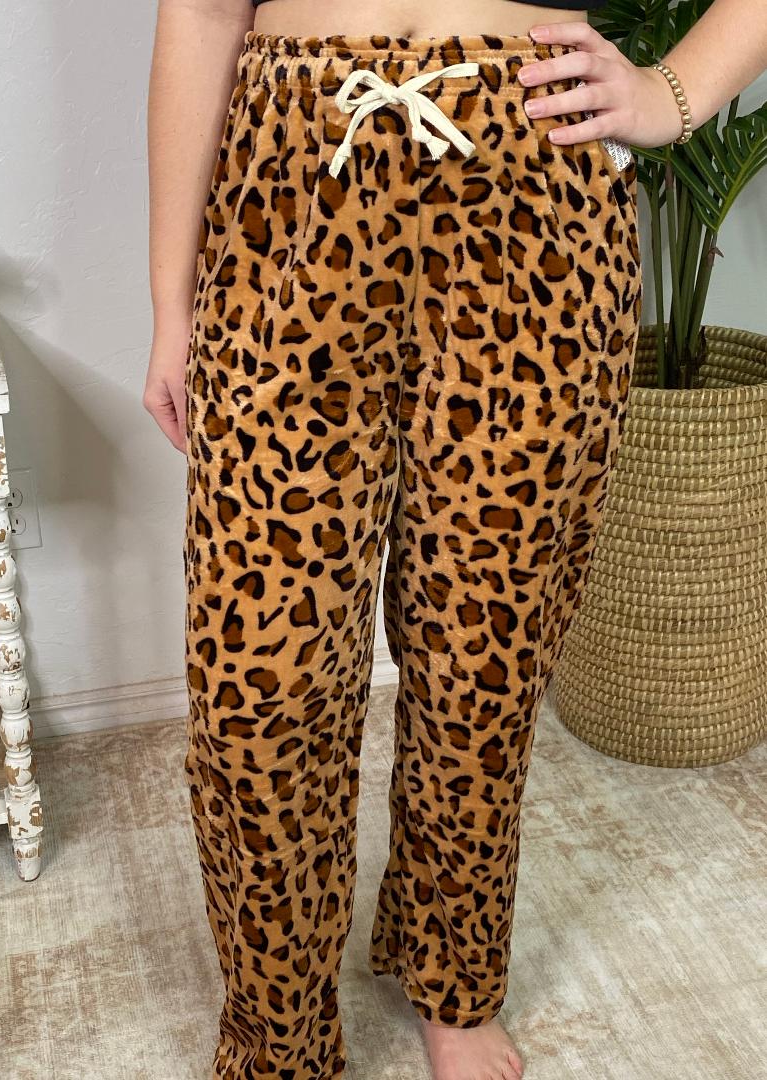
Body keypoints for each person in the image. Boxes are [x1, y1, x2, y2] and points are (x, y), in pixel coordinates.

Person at [143, 1, 767, 1078]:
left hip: (534, 206)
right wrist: (171, 304)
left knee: (485, 650)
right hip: (290, 196)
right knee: (259, 680)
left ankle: (455, 973)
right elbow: (200, 10)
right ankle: (276, 1030)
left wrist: (672, 93)